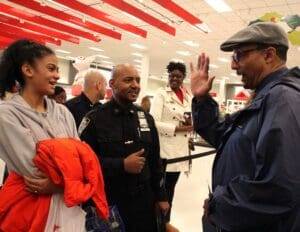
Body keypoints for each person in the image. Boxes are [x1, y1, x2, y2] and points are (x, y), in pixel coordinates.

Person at [190, 22, 300, 232]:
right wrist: (202, 100)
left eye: (240, 55)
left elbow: (280, 187)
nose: (233, 65)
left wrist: (218, 205)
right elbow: (225, 136)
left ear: (269, 55)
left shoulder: (283, 100)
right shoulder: (266, 96)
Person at [0, 39, 103, 230]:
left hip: (68, 209)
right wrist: (74, 179)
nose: (57, 75)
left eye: (57, 69)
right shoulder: (7, 114)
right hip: (30, 211)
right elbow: (34, 171)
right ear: (28, 70)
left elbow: (85, 161)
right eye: (51, 68)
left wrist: (60, 184)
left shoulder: (62, 112)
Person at [79, 63, 170, 232]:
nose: (135, 85)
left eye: (137, 80)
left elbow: (155, 161)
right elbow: (83, 164)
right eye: (128, 80)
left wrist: (161, 196)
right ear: (112, 84)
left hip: (143, 201)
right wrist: (121, 165)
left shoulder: (146, 119)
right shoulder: (95, 120)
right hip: (110, 201)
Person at [150, 61, 193, 232]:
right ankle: (157, 225)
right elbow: (153, 121)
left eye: (178, 76)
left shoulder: (187, 96)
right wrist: (178, 128)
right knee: (161, 192)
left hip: (181, 151)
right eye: (172, 75)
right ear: (168, 76)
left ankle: (165, 223)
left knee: (171, 191)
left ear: (183, 78)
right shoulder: (161, 94)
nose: (175, 79)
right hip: (165, 150)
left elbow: (189, 116)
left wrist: (190, 124)